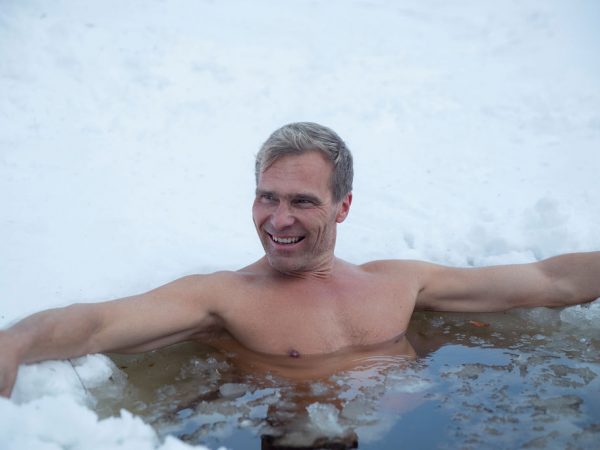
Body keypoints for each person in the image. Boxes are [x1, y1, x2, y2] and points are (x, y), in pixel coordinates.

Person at [1, 122, 599, 398]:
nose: (278, 219)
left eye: (302, 201)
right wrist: (17, 342)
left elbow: (548, 280)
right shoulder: (224, 298)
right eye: (268, 197)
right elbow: (101, 323)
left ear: (343, 207)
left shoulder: (400, 283)